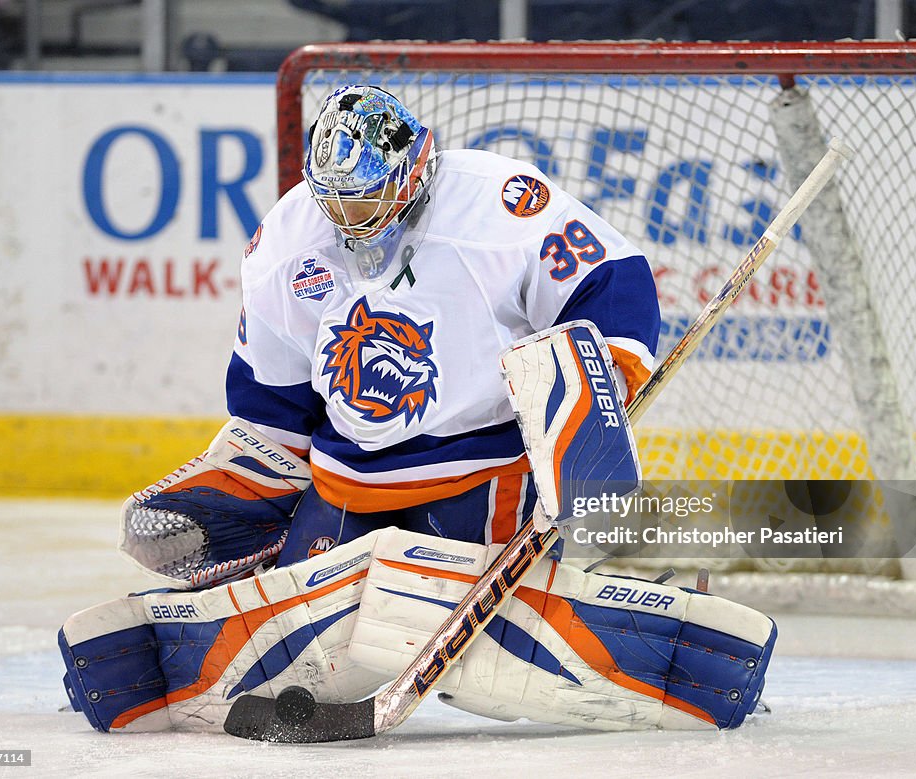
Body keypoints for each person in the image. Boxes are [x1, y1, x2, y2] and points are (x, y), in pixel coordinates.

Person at [60, 86, 775, 737]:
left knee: (450, 652)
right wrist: (255, 479)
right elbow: (271, 396)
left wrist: (599, 384)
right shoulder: (286, 246)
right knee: (318, 637)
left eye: (367, 200)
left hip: (482, 479)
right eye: (334, 202)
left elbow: (612, 279)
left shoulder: (497, 206)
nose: (350, 220)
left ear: (411, 172)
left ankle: (659, 617)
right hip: (344, 485)